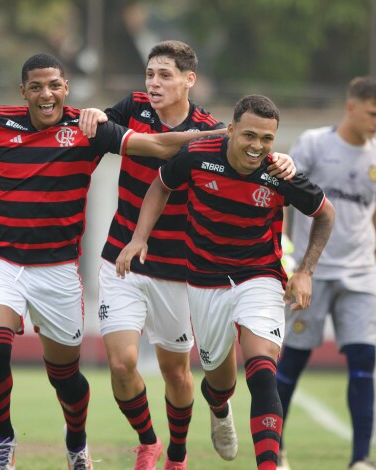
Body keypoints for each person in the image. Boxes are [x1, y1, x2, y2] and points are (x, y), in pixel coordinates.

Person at [0, 54, 230, 470]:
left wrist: (220, 136)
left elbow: (157, 145)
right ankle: (3, 441)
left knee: (64, 376)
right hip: (3, 262)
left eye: (54, 85)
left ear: (66, 88)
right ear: (24, 92)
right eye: (36, 87)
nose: (45, 94)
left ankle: (76, 444)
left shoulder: (88, 130)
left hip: (58, 270)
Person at [79, 40, 296, 470]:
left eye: (165, 75)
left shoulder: (215, 130)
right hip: (121, 255)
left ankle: (180, 453)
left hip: (179, 269)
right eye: (150, 74)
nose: (153, 83)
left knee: (178, 373)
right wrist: (94, 114)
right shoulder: (133, 106)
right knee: (122, 364)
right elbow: (102, 131)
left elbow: (252, 157)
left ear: (188, 80)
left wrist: (279, 158)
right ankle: (149, 442)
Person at [115, 94, 335, 469]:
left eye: (267, 139)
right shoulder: (198, 155)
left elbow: (325, 214)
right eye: (249, 135)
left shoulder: (281, 174)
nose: (258, 147)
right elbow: (161, 185)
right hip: (204, 281)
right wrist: (139, 238)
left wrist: (305, 271)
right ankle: (219, 408)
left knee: (262, 365)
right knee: (219, 383)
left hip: (260, 276)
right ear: (231, 129)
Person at [276, 77, 376, 470]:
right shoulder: (313, 144)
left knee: (364, 361)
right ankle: (274, 447)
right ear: (351, 108)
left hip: (360, 276)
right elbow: (284, 200)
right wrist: (286, 257)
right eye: (373, 114)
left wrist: (375, 265)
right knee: (293, 360)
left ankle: (360, 459)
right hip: (313, 271)